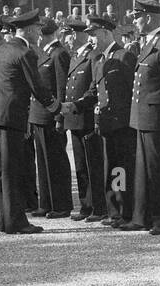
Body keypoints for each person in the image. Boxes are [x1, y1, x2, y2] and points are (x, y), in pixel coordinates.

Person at [0, 10, 52, 234]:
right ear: (30, 30)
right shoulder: (25, 52)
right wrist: (56, 107)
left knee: (1, 171)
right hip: (12, 117)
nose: (40, 34)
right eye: (39, 29)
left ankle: (5, 220)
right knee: (13, 170)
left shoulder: (2, 50)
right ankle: (17, 222)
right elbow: (37, 87)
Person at [125, 0, 160, 234]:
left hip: (158, 117)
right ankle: (142, 215)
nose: (134, 22)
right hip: (144, 116)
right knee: (143, 168)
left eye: (137, 17)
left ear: (148, 18)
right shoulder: (149, 43)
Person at [87, 14, 137, 228]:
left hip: (123, 125)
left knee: (122, 170)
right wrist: (73, 106)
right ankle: (114, 211)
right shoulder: (99, 60)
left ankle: (126, 211)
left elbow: (134, 90)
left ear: (106, 33)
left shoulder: (124, 56)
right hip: (107, 125)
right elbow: (93, 92)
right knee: (112, 169)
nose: (91, 40)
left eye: (94, 35)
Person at [61, 18, 105, 221]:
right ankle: (86, 206)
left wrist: (77, 105)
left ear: (79, 34)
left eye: (69, 34)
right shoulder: (75, 56)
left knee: (93, 165)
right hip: (75, 119)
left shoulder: (93, 56)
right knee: (80, 166)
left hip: (87, 118)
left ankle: (99, 207)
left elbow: (94, 89)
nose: (66, 38)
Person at [30, 18, 73, 219]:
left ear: (42, 35)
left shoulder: (59, 53)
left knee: (55, 162)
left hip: (51, 116)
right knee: (43, 162)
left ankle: (61, 205)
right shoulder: (45, 54)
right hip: (39, 116)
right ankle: (46, 203)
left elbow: (61, 87)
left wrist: (60, 117)